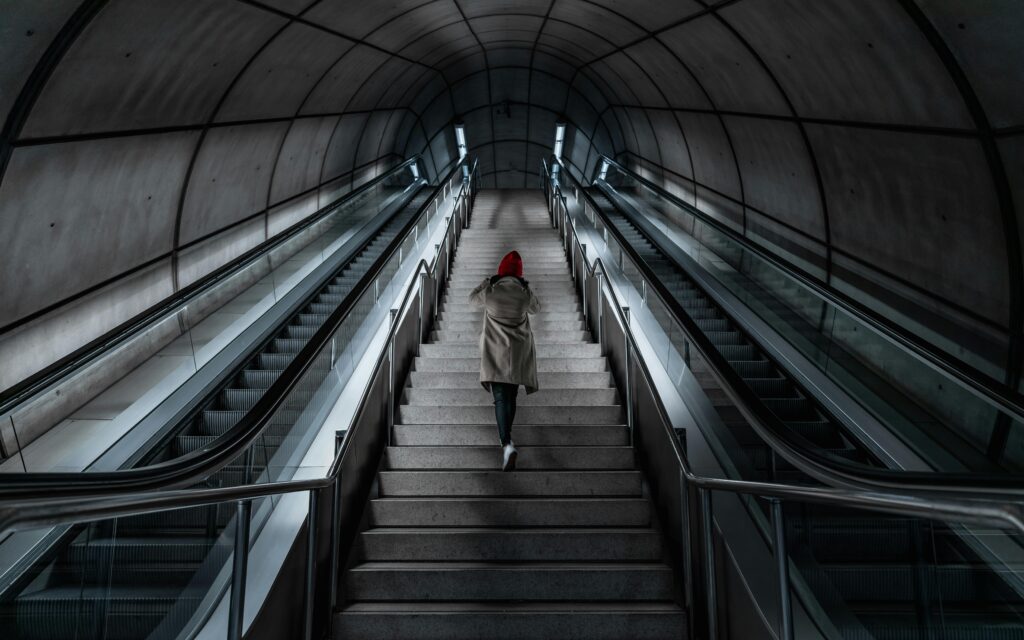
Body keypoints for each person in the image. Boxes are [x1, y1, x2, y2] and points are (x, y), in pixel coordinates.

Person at [468, 250, 541, 471]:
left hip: (495, 353)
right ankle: (507, 441)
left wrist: (486, 282)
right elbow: (537, 308)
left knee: (500, 397)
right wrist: (527, 288)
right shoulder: (523, 293)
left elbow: (471, 300)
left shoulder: (491, 292)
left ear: (500, 273)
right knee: (511, 396)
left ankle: (506, 443)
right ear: (519, 274)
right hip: (518, 353)